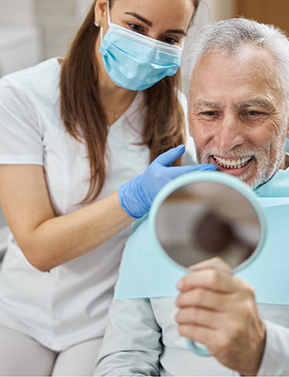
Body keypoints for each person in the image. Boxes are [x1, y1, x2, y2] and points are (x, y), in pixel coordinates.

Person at [94, 18, 289, 376]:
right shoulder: (156, 221)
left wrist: (265, 351)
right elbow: (124, 358)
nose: (226, 139)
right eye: (209, 113)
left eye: (252, 113)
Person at [0, 0, 222, 375]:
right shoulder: (22, 97)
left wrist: (282, 107)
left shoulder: (180, 119)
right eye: (136, 27)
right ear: (102, 9)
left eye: (169, 37)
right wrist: (134, 198)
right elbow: (38, 248)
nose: (151, 46)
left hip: (104, 320)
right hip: (20, 310)